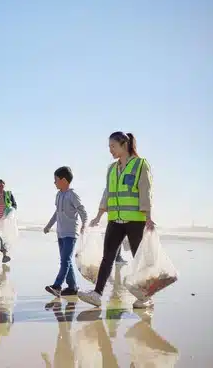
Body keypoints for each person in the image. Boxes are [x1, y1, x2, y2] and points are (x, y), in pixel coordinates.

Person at [78, 132, 155, 309]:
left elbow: (146, 191)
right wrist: (99, 215)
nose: (110, 150)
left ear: (124, 144)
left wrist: (149, 217)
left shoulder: (140, 165)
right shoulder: (112, 169)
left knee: (138, 259)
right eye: (109, 147)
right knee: (108, 257)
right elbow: (108, 193)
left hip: (135, 220)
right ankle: (97, 294)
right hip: (115, 220)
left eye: (113, 146)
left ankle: (145, 297)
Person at [43, 166, 88, 297]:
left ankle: (57, 286)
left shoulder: (72, 195)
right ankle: (72, 287)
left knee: (65, 260)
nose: (54, 182)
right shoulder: (58, 195)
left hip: (70, 233)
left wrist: (84, 224)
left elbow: (82, 211)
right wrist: (48, 226)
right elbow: (57, 213)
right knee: (65, 260)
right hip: (61, 233)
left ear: (64, 180)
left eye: (55, 180)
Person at [0, 179, 17, 264]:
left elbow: (15, 205)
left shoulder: (8, 194)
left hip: (5, 222)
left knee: (4, 239)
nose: (0, 187)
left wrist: (11, 211)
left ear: (4, 186)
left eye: (1, 185)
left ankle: (5, 256)